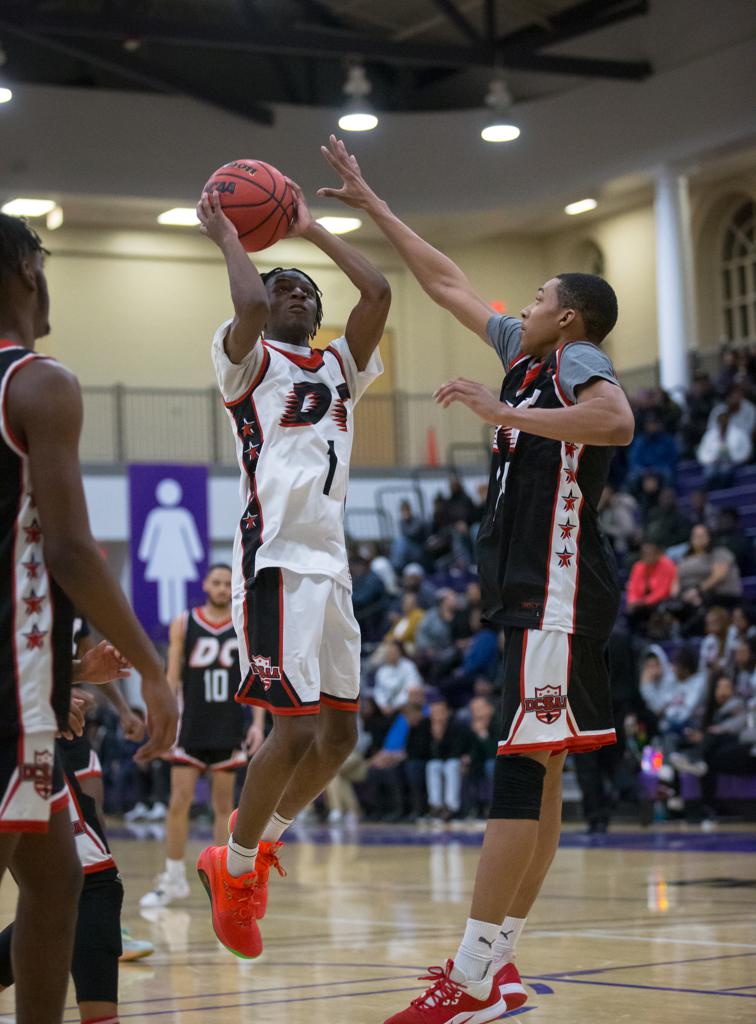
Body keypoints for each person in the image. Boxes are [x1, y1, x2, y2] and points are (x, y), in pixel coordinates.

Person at [317, 134, 633, 1021]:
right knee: (540, 774)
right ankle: (497, 968)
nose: (520, 306)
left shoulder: (573, 363)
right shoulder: (526, 356)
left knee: (517, 775)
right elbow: (445, 279)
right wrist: (374, 203)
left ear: (566, 317)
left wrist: (505, 415)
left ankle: (467, 976)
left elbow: (615, 422)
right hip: (535, 592)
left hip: (557, 587)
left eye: (536, 298)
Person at [193, 177, 390, 959]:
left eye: (307, 291)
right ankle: (235, 869)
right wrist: (232, 243)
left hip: (331, 566)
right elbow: (245, 308)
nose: (297, 296)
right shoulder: (244, 361)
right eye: (283, 290)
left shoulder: (342, 366)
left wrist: (311, 232)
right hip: (273, 558)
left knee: (340, 736)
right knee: (293, 725)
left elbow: (375, 288)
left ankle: (255, 849)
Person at [0, 213, 176, 1024]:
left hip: (32, 681)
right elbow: (72, 551)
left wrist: (66, 666)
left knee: (61, 876)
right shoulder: (39, 382)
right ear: (28, 270)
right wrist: (150, 663)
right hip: (10, 693)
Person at [141, 564, 263, 909]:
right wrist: (164, 722)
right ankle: (174, 878)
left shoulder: (243, 622)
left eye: (228, 583)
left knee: (223, 807)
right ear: (206, 585)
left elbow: (255, 675)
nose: (223, 588)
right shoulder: (184, 622)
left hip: (228, 725)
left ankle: (222, 881)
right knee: (179, 802)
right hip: (192, 724)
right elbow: (172, 676)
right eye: (217, 582)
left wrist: (256, 723)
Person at [625, 539, 678, 630]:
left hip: (659, 603)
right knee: (630, 612)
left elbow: (663, 591)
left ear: (658, 553)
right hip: (640, 604)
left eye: (650, 552)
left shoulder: (667, 565)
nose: (647, 555)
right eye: (644, 553)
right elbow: (632, 588)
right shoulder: (638, 566)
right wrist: (632, 601)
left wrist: (643, 602)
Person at [697, 410, 752, 489]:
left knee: (725, 471)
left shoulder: (738, 433)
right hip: (713, 464)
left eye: (725, 420)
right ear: (718, 422)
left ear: (728, 421)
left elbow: (746, 451)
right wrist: (712, 459)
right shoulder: (709, 435)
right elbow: (701, 454)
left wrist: (732, 457)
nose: (723, 423)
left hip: (733, 464)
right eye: (721, 421)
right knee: (709, 473)